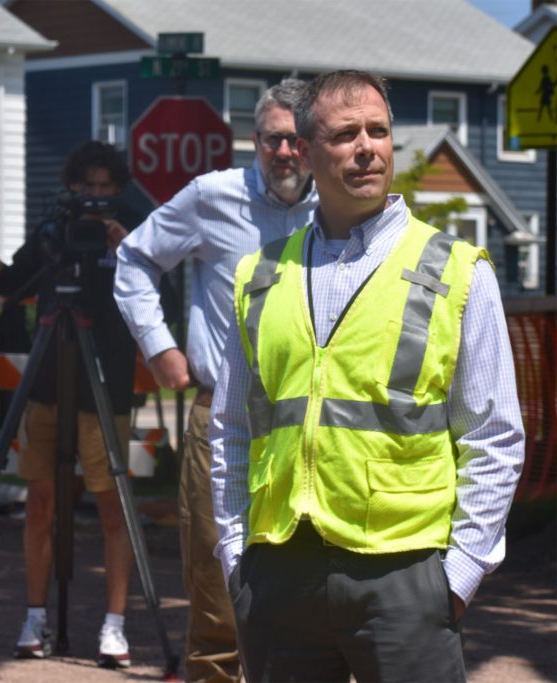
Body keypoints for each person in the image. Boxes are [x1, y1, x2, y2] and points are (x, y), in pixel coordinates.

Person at [210, 70, 525, 682]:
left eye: (378, 131)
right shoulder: (259, 275)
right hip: (279, 571)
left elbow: (494, 437)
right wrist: (235, 558)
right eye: (345, 133)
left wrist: (458, 577)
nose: (366, 148)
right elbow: (231, 430)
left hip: (405, 575)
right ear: (303, 151)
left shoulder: (456, 271)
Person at [114, 78, 316, 683]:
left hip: (315, 422)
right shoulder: (212, 197)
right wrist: (160, 347)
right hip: (222, 416)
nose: (285, 152)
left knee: (311, 586)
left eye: (297, 140)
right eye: (274, 139)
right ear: (254, 141)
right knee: (216, 582)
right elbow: (134, 259)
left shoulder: (336, 206)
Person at [0, 140, 139, 668]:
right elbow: (18, 283)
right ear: (71, 187)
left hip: (104, 383)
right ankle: (34, 615)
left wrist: (126, 253)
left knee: (112, 506)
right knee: (41, 501)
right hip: (47, 381)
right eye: (85, 187)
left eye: (104, 188)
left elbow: (156, 301)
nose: (94, 198)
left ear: (118, 190)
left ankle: (115, 624)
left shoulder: (135, 238)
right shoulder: (55, 229)